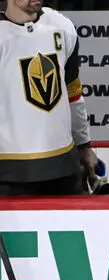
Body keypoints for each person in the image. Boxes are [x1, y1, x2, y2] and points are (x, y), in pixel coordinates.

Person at [0, 0, 98, 196]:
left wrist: (84, 145)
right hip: (10, 172)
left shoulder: (62, 26)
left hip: (64, 166)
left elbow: (72, 92)